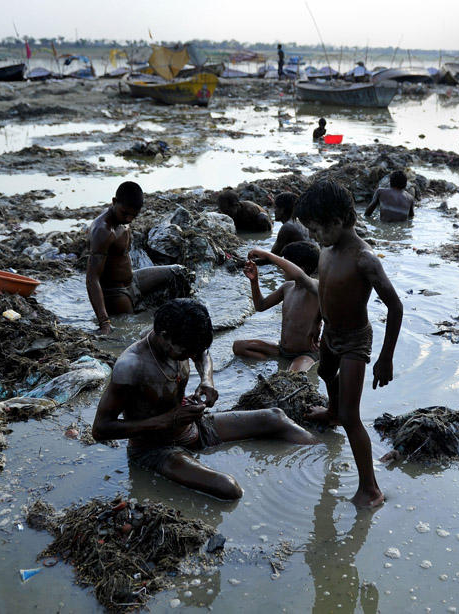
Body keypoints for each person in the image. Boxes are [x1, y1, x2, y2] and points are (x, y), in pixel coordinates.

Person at [249, 179, 403, 508]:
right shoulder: (327, 250)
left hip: (353, 340)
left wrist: (386, 357)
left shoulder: (365, 259)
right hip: (330, 335)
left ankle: (370, 489)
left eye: (317, 230)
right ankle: (332, 411)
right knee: (325, 375)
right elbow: (325, 289)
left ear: (336, 222)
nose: (314, 237)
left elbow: (395, 306)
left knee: (352, 416)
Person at [92, 298, 318, 500]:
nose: (191, 356)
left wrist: (207, 380)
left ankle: (322, 459)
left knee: (275, 417)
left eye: (194, 351)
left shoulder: (181, 338)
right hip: (155, 448)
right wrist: (167, 420)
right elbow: (101, 429)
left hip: (192, 426)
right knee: (228, 487)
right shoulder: (130, 366)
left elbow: (202, 352)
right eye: (185, 352)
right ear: (164, 338)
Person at [86, 181, 192, 335]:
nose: (129, 219)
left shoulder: (124, 220)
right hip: (116, 292)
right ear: (114, 202)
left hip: (133, 280)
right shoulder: (103, 231)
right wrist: (104, 322)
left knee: (179, 273)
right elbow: (91, 279)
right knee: (130, 331)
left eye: (133, 215)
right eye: (125, 213)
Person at [233, 241, 323, 372]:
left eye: (285, 264)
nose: (281, 269)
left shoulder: (315, 287)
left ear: (301, 268)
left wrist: (269, 256)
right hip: (282, 349)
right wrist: (254, 281)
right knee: (239, 347)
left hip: (306, 353)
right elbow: (260, 306)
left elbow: (299, 275)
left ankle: (289, 367)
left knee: (292, 376)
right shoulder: (287, 287)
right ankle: (274, 363)